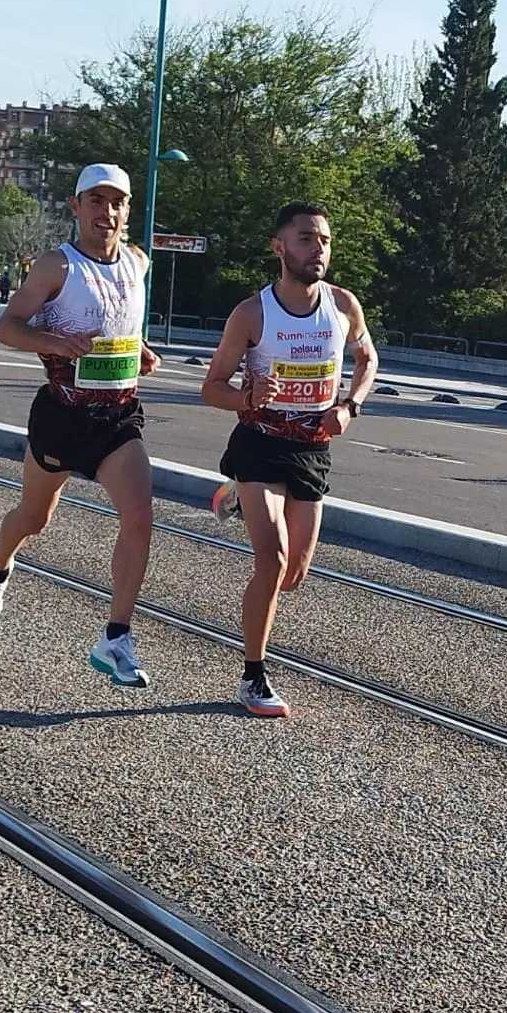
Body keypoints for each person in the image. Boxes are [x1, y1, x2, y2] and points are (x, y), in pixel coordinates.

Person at [0, 164, 161, 688]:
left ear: (127, 211)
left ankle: (115, 637)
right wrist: (55, 344)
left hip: (118, 416)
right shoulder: (58, 266)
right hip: (62, 414)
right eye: (96, 201)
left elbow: (122, 324)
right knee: (33, 519)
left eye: (117, 202)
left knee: (141, 515)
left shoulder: (138, 264)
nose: (107, 212)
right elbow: (8, 327)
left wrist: (137, 352)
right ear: (76, 208)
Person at [201, 203, 378, 718]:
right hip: (259, 443)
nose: (316, 248)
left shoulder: (344, 307)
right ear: (279, 248)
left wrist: (350, 405)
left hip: (311, 448)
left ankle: (233, 497)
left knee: (293, 574)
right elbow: (211, 388)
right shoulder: (252, 314)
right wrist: (246, 397)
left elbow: (368, 360)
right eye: (305, 239)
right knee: (272, 559)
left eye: (323, 239)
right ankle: (253, 675)